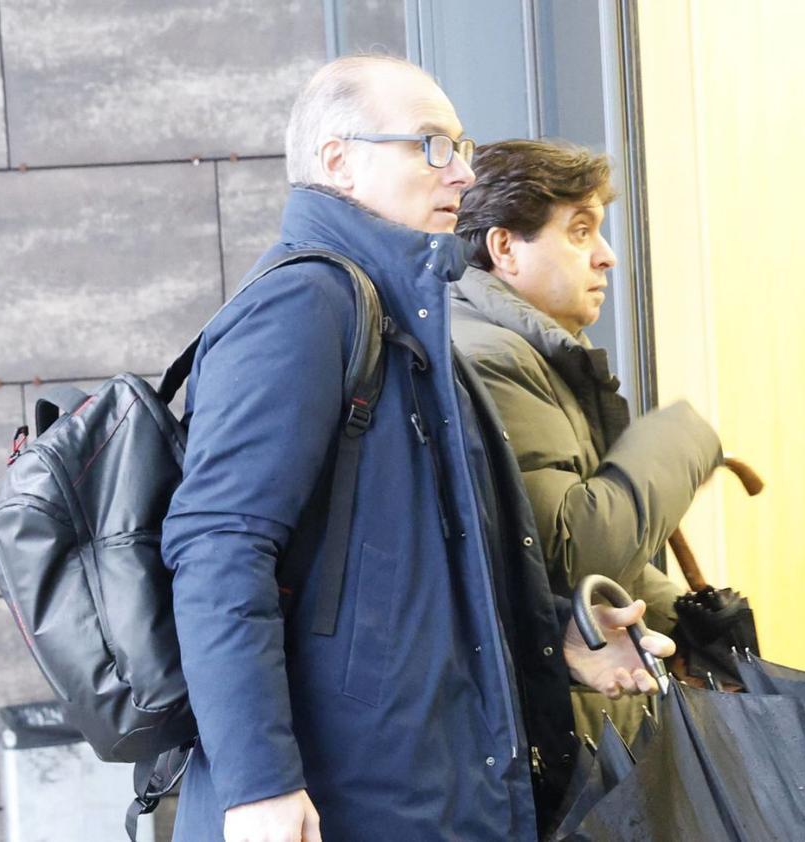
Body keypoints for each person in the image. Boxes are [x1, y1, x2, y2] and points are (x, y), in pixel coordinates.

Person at [161, 55, 673, 842]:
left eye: (462, 147)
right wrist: (258, 784)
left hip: (426, 793)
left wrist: (557, 637)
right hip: (353, 803)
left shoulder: (409, 318)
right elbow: (218, 547)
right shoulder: (305, 304)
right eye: (432, 145)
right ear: (339, 160)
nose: (461, 174)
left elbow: (421, 570)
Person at [451, 139, 722, 742]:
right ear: (504, 248)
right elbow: (575, 554)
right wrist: (684, 437)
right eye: (579, 231)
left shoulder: (526, 353)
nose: (607, 257)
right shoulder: (490, 358)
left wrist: (684, 623)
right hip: (546, 734)